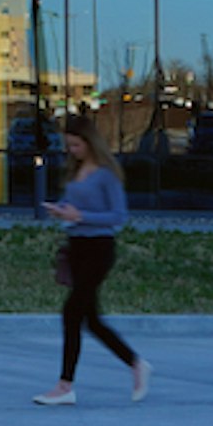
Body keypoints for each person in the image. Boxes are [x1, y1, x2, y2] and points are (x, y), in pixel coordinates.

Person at [36, 121, 149, 406]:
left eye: (76, 145)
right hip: (76, 247)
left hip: (99, 248)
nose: (72, 151)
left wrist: (80, 216)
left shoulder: (106, 175)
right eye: (69, 145)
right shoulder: (75, 171)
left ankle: (65, 385)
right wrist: (60, 211)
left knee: (72, 311)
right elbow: (70, 205)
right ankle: (136, 364)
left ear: (90, 142)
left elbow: (118, 215)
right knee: (92, 320)